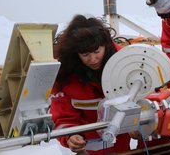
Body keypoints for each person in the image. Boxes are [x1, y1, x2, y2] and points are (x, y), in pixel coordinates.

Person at [50, 15, 131, 154]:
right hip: (89, 146)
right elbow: (62, 116)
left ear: (106, 44)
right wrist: (71, 136)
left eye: (96, 51)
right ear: (75, 54)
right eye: (85, 54)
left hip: (122, 144)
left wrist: (137, 123)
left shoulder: (125, 63)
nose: (93, 59)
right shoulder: (64, 77)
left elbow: (144, 100)